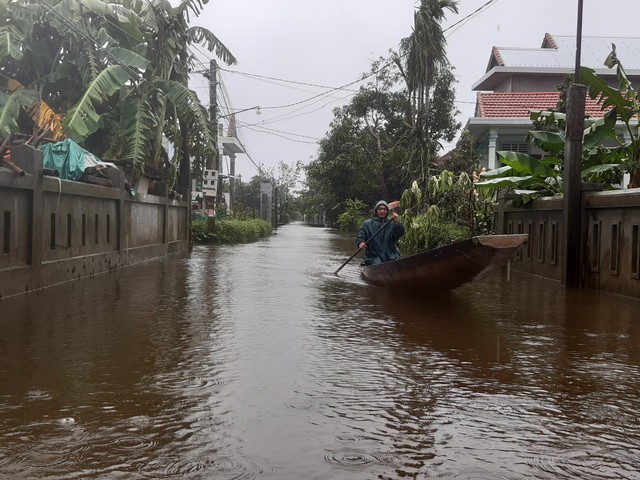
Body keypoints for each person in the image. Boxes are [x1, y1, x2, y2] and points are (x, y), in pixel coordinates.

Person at [356, 200, 405, 265]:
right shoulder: (367, 224)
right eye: (380, 209)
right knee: (377, 262)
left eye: (384, 209)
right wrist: (360, 242)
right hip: (373, 257)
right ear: (376, 211)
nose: (382, 211)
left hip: (391, 256)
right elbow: (361, 235)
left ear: (387, 211)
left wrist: (397, 222)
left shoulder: (392, 223)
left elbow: (400, 233)